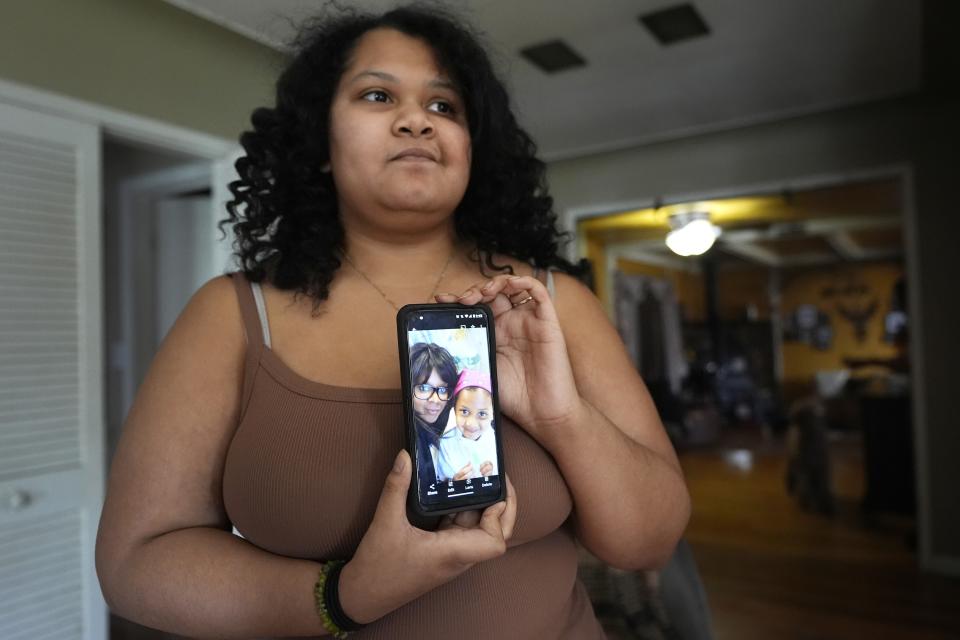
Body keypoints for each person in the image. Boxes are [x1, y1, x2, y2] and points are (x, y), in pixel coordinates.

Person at [95, 5, 690, 639]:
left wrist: (560, 418)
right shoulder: (232, 315)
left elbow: (647, 544)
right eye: (378, 95)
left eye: (445, 107)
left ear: (473, 148)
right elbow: (136, 562)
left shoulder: (550, 304)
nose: (416, 120)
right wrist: (346, 595)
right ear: (320, 145)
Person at [408, 342, 457, 487]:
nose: (435, 400)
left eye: (442, 390)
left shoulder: (444, 427)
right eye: (423, 388)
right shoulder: (415, 441)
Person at [436, 368, 498, 481]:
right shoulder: (445, 444)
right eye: (464, 412)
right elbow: (441, 479)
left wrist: (492, 473)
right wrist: (454, 481)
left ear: (493, 414)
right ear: (454, 410)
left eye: (482, 414)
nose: (471, 424)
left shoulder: (495, 439)